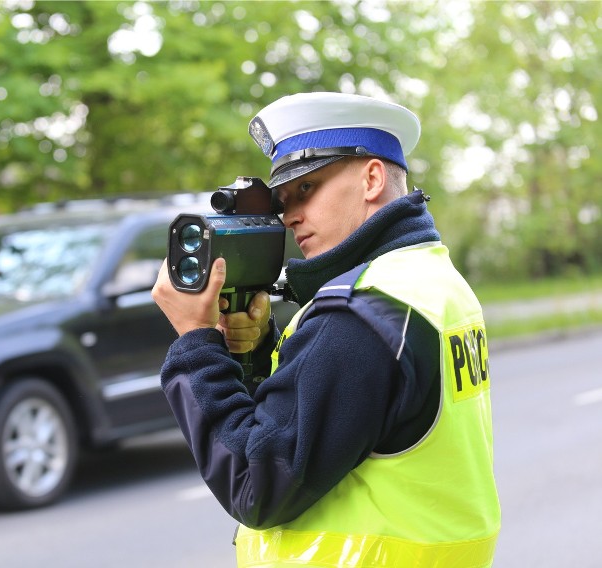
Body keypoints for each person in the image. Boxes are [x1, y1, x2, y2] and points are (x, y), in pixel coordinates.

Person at [152, 92, 500, 567]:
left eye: (306, 189)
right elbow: (350, 424)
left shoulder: (358, 315)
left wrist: (195, 342)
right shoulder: (429, 279)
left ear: (372, 178)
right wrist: (254, 351)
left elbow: (256, 484)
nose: (290, 215)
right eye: (281, 201)